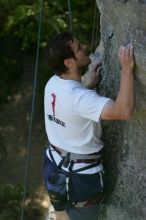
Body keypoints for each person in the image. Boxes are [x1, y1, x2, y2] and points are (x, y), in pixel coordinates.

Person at [43, 31, 135, 220]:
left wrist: (89, 85)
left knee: (60, 216)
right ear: (69, 62)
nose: (84, 47)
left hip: (52, 166)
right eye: (78, 48)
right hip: (81, 180)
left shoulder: (52, 84)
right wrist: (126, 70)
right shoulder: (80, 98)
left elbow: (71, 107)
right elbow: (122, 111)